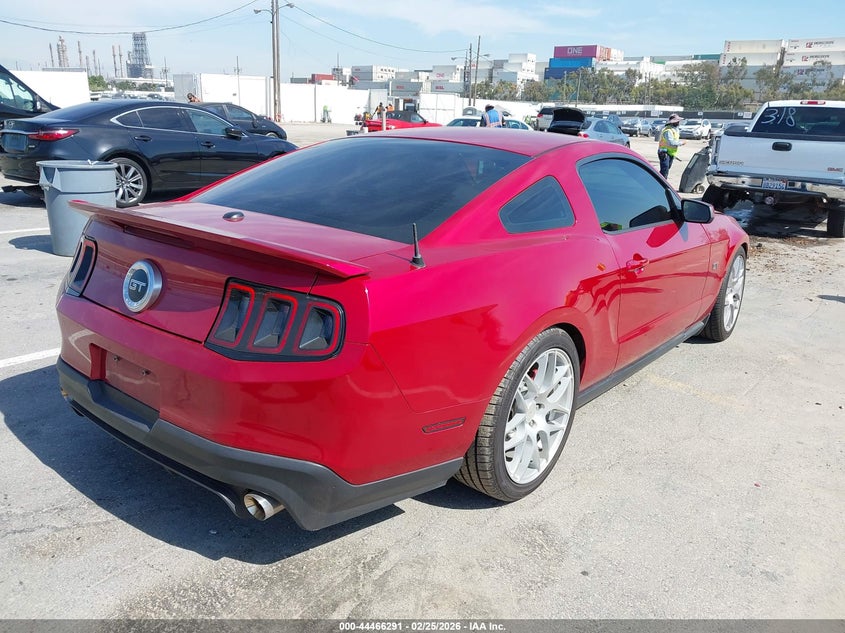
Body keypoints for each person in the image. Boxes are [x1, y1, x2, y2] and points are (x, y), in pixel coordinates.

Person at [657, 113, 686, 179]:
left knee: (666, 169)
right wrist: (682, 143)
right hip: (664, 152)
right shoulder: (668, 131)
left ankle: (660, 180)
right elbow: (671, 142)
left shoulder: (675, 130)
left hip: (670, 153)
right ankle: (661, 183)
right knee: (665, 170)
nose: (678, 123)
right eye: (677, 121)